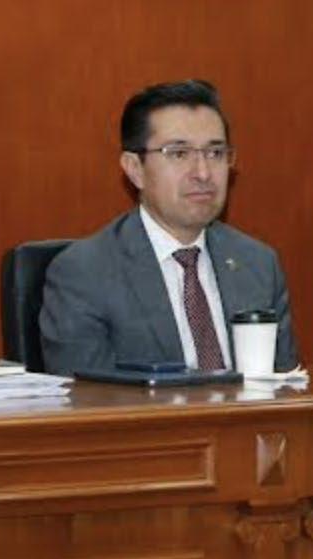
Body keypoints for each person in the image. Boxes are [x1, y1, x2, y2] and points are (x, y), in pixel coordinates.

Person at [41, 80, 299, 376]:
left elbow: (284, 388)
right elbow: (87, 399)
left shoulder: (258, 264)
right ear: (135, 169)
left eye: (215, 153)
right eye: (179, 154)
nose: (203, 173)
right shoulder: (85, 274)